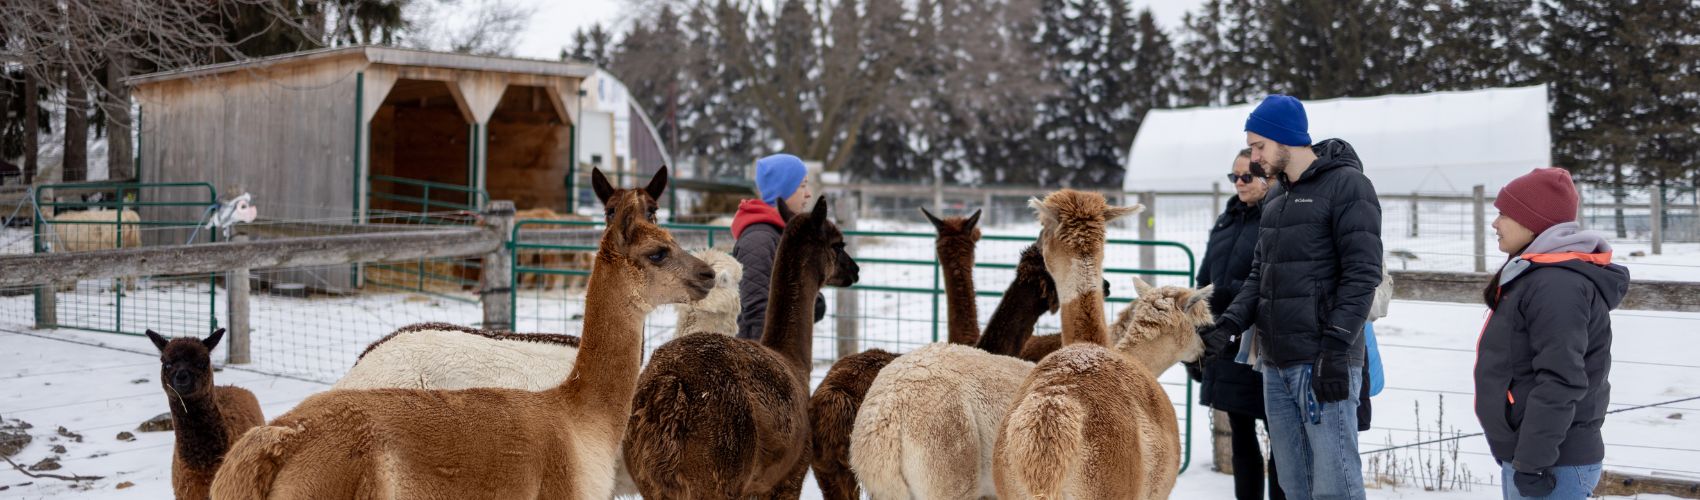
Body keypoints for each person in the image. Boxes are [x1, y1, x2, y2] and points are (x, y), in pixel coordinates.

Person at [1205, 95, 1382, 500]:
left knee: (1335, 486)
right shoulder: (1277, 197)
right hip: (1275, 363)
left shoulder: (1347, 186)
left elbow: (1362, 274)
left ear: (1286, 139)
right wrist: (1228, 325)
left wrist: (1336, 349)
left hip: (1323, 361)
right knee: (1294, 485)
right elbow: (1259, 274)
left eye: (1259, 146)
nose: (1253, 158)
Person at [1474, 167, 1627, 500]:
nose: (1495, 223)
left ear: (1532, 222)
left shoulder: (1557, 285)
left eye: (1503, 214)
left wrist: (1532, 462)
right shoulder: (1538, 275)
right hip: (1536, 454)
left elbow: (1561, 379)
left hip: (1552, 462)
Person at [1195, 148, 1284, 500]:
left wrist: (1229, 302)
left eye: (1246, 176)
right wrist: (1200, 327)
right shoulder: (1226, 220)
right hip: (1224, 342)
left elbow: (1267, 280)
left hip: (1260, 343)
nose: (1239, 184)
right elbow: (1204, 276)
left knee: (1281, 438)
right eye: (1234, 177)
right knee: (1240, 434)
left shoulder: (1276, 217)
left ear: (1266, 177)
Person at [731, 153, 826, 341]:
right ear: (782, 190)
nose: (808, 194)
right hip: (766, 359)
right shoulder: (759, 240)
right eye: (802, 185)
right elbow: (757, 312)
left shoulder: (781, 235)